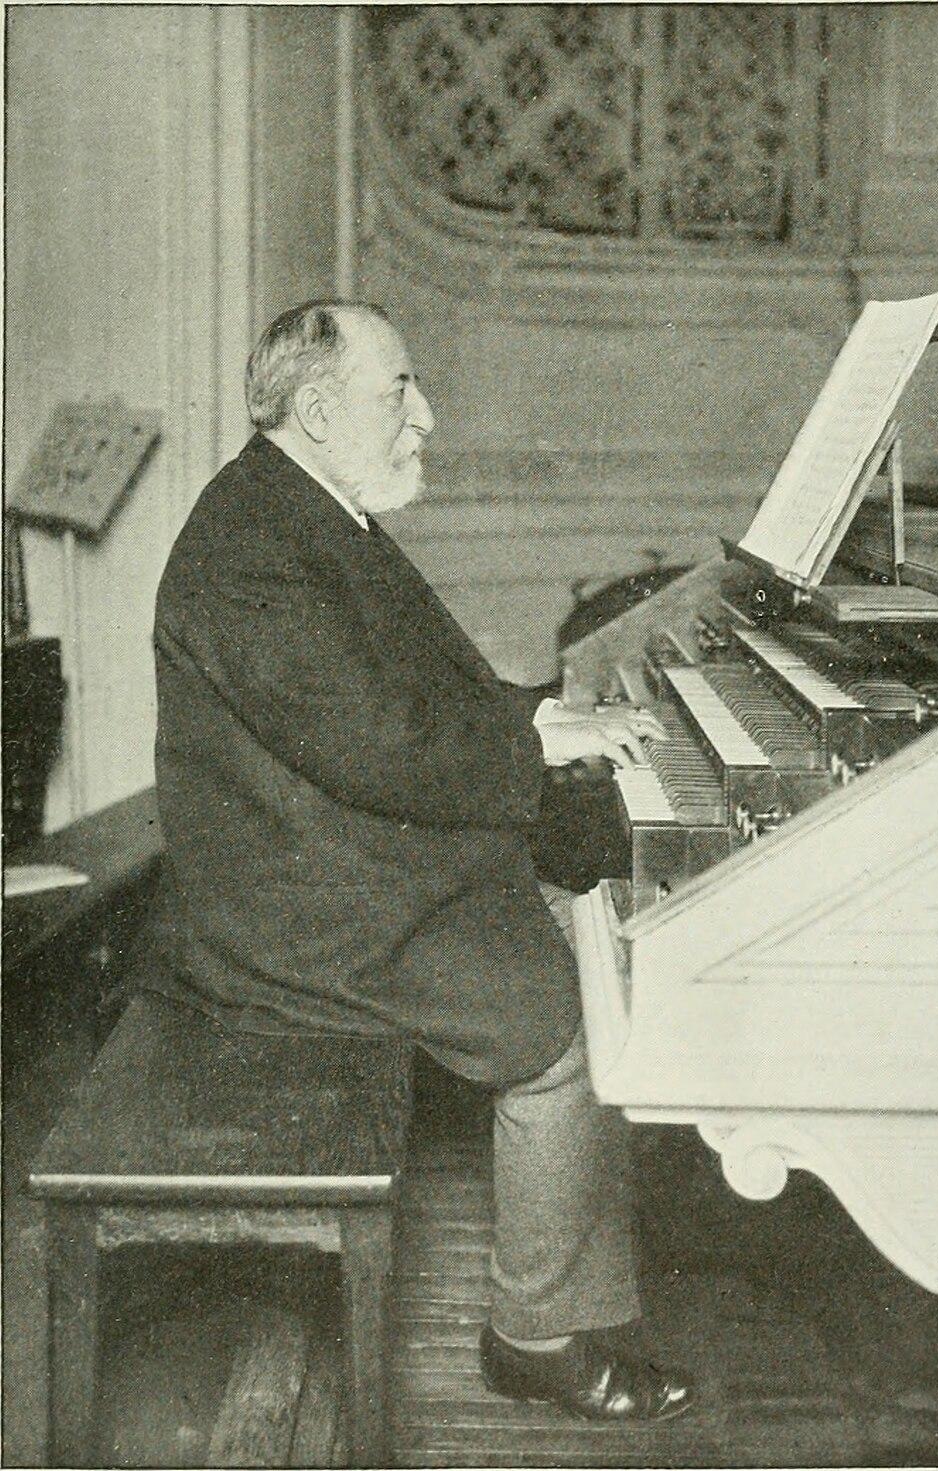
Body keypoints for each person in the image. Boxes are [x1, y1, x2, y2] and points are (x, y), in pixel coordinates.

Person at [148, 299, 691, 1424]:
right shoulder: (252, 548)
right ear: (314, 407)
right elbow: (374, 743)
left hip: (331, 858)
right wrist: (538, 737)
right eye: (400, 390)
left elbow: (421, 697)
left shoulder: (307, 510)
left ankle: (589, 1305)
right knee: (562, 1020)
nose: (426, 418)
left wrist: (548, 713)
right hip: (290, 907)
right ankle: (531, 1334)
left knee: (600, 933)